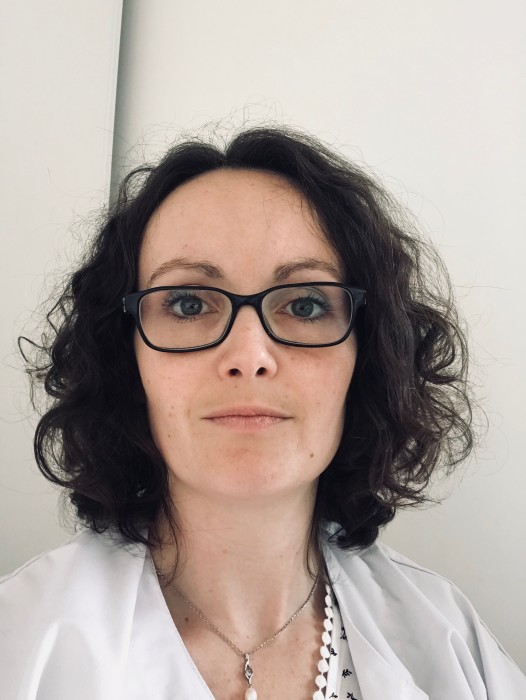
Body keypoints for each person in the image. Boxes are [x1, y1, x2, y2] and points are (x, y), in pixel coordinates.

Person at [1, 126, 524, 700]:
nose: (249, 356)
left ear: (368, 356)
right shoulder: (18, 644)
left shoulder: (451, 644)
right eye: (188, 303)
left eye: (305, 304)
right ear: (126, 357)